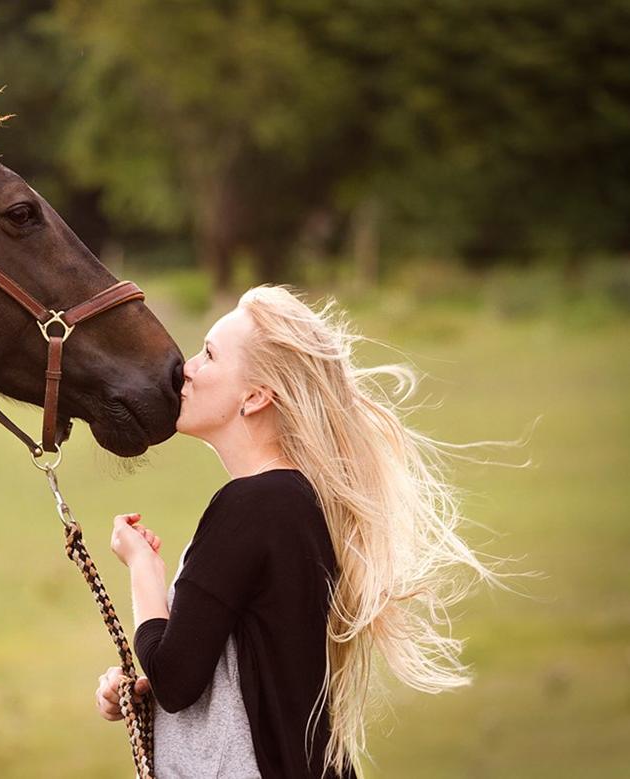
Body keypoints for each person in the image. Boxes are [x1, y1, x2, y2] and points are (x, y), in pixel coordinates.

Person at [95, 284, 513, 778]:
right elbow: (222, 668)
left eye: (208, 355)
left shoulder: (252, 505)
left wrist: (143, 569)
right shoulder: (291, 501)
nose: (187, 367)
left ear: (254, 396)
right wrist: (142, 694)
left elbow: (175, 678)